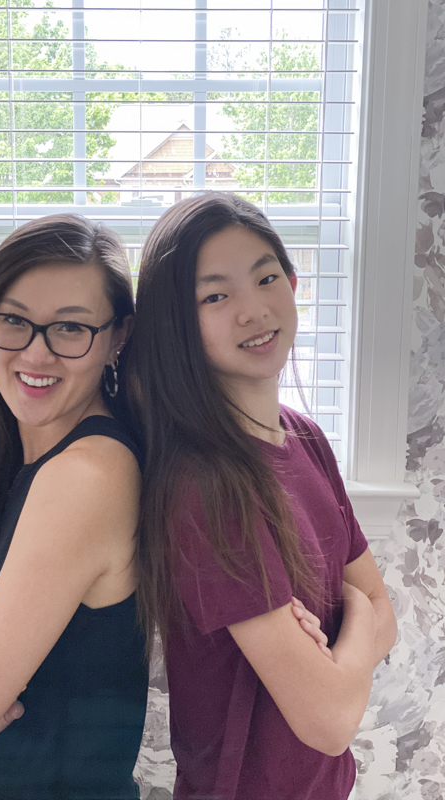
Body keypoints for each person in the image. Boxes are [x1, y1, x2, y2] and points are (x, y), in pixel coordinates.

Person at [127, 192, 398, 800]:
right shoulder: (204, 489)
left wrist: (347, 643)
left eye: (267, 277)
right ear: (178, 324)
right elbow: (329, 720)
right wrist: (358, 617)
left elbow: (387, 616)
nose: (253, 310)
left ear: (293, 284)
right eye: (215, 296)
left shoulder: (306, 438)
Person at [0, 215, 148, 800]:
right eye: (14, 320)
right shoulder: (20, 459)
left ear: (117, 337)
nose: (36, 353)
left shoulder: (85, 477)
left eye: (70, 327)